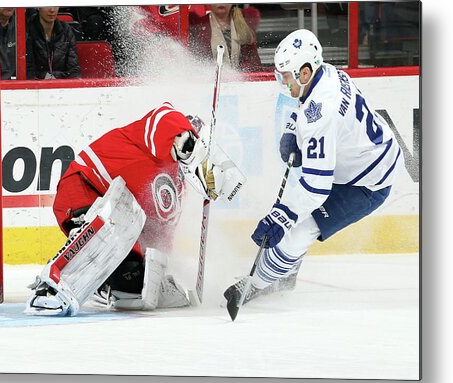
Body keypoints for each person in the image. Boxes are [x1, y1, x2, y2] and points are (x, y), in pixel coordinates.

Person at [224, 29, 404, 311]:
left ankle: (257, 284)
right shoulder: (329, 72)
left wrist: (280, 217)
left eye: (286, 75)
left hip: (368, 182)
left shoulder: (320, 113)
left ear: (305, 72)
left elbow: (317, 188)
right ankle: (283, 270)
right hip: (368, 157)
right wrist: (292, 130)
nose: (282, 81)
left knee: (302, 227)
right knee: (297, 210)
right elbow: (305, 105)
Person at [25, 102, 245, 316]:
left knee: (132, 288)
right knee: (106, 228)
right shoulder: (157, 134)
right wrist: (187, 143)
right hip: (85, 186)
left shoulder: (177, 186)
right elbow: (164, 116)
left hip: (120, 213)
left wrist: (152, 275)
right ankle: (50, 286)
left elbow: (160, 236)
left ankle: (104, 285)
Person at [189, 4, 262, 72]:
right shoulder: (198, 26)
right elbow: (196, 61)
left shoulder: (245, 21)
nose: (221, 2)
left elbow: (253, 62)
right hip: (211, 81)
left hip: (242, 81)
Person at [26, 7, 81, 79]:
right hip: (36, 87)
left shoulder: (66, 30)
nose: (52, 10)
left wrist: (56, 77)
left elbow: (74, 70)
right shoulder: (28, 31)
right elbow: (28, 71)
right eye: (47, 5)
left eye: (55, 5)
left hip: (63, 85)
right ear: (38, 7)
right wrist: (45, 77)